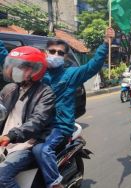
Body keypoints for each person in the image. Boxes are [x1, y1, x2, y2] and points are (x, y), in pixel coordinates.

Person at [26, 28, 115, 188]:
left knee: (42, 150)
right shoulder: (39, 74)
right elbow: (11, 62)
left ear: (65, 57)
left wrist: (105, 43)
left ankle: (55, 184)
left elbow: (91, 67)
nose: (55, 55)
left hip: (60, 126)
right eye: (52, 51)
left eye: (60, 53)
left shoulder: (70, 74)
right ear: (45, 53)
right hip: (38, 124)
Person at [0, 46, 56, 188]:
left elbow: (37, 121)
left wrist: (10, 136)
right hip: (4, 142)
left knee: (2, 177)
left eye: (22, 67)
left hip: (26, 145)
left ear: (36, 70)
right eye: (14, 65)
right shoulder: (9, 89)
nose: (15, 70)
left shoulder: (45, 93)